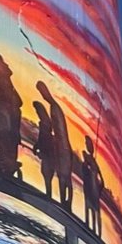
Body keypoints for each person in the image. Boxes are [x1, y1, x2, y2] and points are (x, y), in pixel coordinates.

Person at [0, 53, 23, 179]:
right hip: (3, 109)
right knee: (6, 139)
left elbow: (12, 93)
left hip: (7, 109)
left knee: (10, 140)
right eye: (2, 62)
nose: (7, 65)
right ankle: (6, 168)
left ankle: (7, 168)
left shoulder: (2, 77)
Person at [37, 79, 73, 209]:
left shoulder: (55, 108)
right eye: (41, 93)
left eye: (43, 92)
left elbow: (59, 131)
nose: (43, 95)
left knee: (64, 177)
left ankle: (65, 204)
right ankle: (63, 202)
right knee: (62, 176)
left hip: (62, 148)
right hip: (60, 147)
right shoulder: (53, 108)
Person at [33, 86, 58, 197]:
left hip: (48, 156)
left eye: (37, 111)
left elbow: (43, 139)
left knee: (47, 174)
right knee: (46, 174)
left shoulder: (45, 125)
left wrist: (40, 150)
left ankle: (48, 195)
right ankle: (48, 194)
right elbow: (41, 139)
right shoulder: (44, 124)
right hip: (47, 156)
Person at [79, 135, 105, 237]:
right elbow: (84, 170)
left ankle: (95, 231)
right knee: (88, 205)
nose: (87, 146)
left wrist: (99, 187)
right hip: (89, 186)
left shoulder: (93, 161)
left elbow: (101, 178)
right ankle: (88, 225)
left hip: (93, 188)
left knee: (95, 209)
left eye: (88, 144)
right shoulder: (87, 160)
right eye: (87, 144)